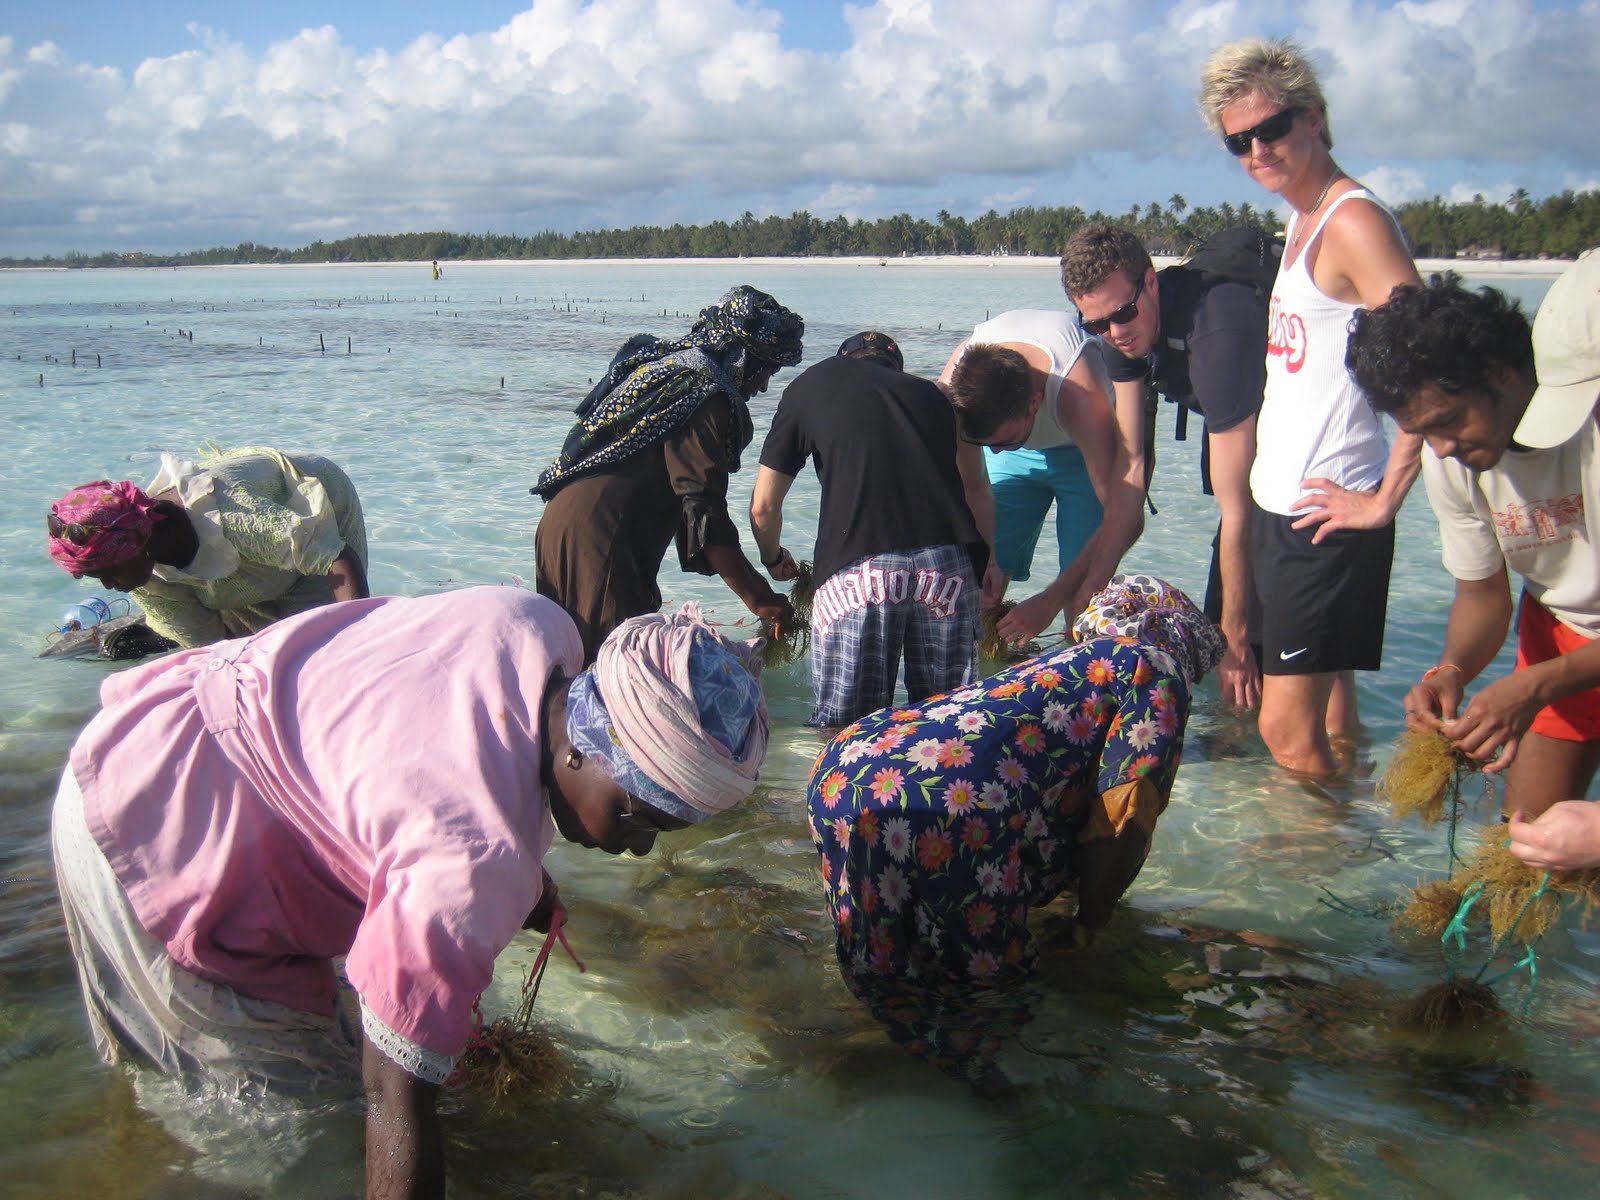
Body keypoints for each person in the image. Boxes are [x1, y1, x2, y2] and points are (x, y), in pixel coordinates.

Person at [51, 587, 769, 1200]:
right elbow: (392, 1094)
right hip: (158, 833)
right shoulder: (469, 868)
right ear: (582, 747)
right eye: (635, 816)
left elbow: (412, 754)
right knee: (273, 1127)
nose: (635, 847)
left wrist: (522, 882)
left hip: (156, 730)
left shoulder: (536, 627)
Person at [806, 573, 1222, 989]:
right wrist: (1090, 925)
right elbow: (1123, 813)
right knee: (978, 999)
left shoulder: (1068, 662)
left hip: (852, 762)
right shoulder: (1158, 667)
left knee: (881, 964)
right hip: (952, 798)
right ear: (1185, 642)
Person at [1198, 38, 1423, 776]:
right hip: (1283, 506)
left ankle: (1298, 873)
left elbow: (1433, 360)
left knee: (1285, 733)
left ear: (1315, 118)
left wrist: (1386, 496)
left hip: (1324, 514)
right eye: (1239, 141)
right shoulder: (1301, 218)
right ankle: (1350, 847)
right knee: (1331, 713)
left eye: (1272, 128)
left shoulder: (1354, 222)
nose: (1258, 150)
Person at [1345, 254, 1600, 854]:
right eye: (1424, 431)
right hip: (1564, 636)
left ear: (1500, 371)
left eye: (1450, 421)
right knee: (1525, 848)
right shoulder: (1453, 459)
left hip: (1556, 669)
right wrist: (1451, 670)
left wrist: (1536, 689)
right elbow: (1482, 592)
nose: (1442, 446)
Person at [532, 285, 801, 661]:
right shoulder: (707, 394)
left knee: (568, 665)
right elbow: (703, 507)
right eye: (766, 370)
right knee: (613, 678)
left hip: (563, 526)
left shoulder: (673, 366)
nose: (763, 385)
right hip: (600, 539)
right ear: (743, 357)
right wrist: (759, 597)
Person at [1062, 222, 1268, 709]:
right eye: (1095, 326)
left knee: (1258, 659)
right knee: (1230, 673)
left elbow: (1237, 504)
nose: (1114, 334)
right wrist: (1093, 586)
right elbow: (1131, 469)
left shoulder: (1218, 326)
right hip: (1250, 456)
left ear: (1150, 282)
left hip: (1301, 465)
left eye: (1123, 314)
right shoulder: (1124, 338)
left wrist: (1236, 638)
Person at [750, 330, 987, 726]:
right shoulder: (936, 397)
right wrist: (991, 564)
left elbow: (763, 506)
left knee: (845, 729)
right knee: (950, 722)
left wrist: (772, 557)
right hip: (947, 567)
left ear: (846, 359)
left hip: (859, 573)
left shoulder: (809, 386)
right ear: (895, 367)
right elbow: (976, 488)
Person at [938, 309, 1144, 646]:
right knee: (978, 585)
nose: (997, 455)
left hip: (1082, 447)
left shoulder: (1080, 391)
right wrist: (986, 556)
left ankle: (1079, 678)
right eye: (987, 445)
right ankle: (982, 675)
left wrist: (1048, 602)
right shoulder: (957, 392)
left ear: (1035, 402)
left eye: (1002, 443)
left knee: (1083, 596)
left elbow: (1125, 518)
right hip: (1012, 431)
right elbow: (973, 489)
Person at [46, 445, 369, 649]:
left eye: (109, 573)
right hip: (234, 545)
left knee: (317, 639)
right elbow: (206, 648)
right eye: (98, 578)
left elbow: (337, 559)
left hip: (312, 495)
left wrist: (360, 640)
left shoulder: (234, 519)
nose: (109, 586)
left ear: (140, 543)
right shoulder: (142, 575)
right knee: (247, 643)